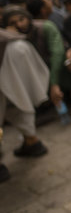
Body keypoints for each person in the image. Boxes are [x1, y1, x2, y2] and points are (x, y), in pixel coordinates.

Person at [2, 6, 69, 120]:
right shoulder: (12, 40)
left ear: (28, 17)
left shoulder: (45, 27)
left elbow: (57, 55)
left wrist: (54, 84)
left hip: (58, 72)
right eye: (13, 23)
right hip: (39, 80)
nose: (19, 25)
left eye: (21, 19)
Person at [0, 28, 49, 158]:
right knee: (19, 96)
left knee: (18, 95)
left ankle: (31, 141)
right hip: (15, 45)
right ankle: (31, 140)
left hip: (9, 47)